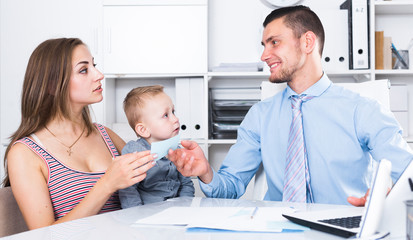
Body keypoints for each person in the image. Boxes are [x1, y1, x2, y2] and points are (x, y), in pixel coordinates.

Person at [168, 5, 413, 206]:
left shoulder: (363, 110)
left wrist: (388, 195)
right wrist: (206, 172)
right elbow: (229, 189)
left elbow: (407, 176)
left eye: (274, 42)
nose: (264, 55)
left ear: (307, 42)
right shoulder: (260, 115)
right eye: (264, 45)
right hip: (276, 229)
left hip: (343, 229)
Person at [2, 38, 156, 229]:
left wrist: (193, 169)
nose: (99, 75)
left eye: (94, 65)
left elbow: (153, 187)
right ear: (51, 85)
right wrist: (106, 184)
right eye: (84, 70)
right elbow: (43, 235)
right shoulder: (24, 153)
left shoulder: (105, 135)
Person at [119, 85, 195, 208]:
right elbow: (128, 190)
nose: (176, 119)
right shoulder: (135, 151)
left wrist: (184, 207)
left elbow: (186, 183)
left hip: (175, 213)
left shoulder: (177, 150)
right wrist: (134, 215)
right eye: (166, 115)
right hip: (145, 215)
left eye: (173, 112)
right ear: (143, 129)